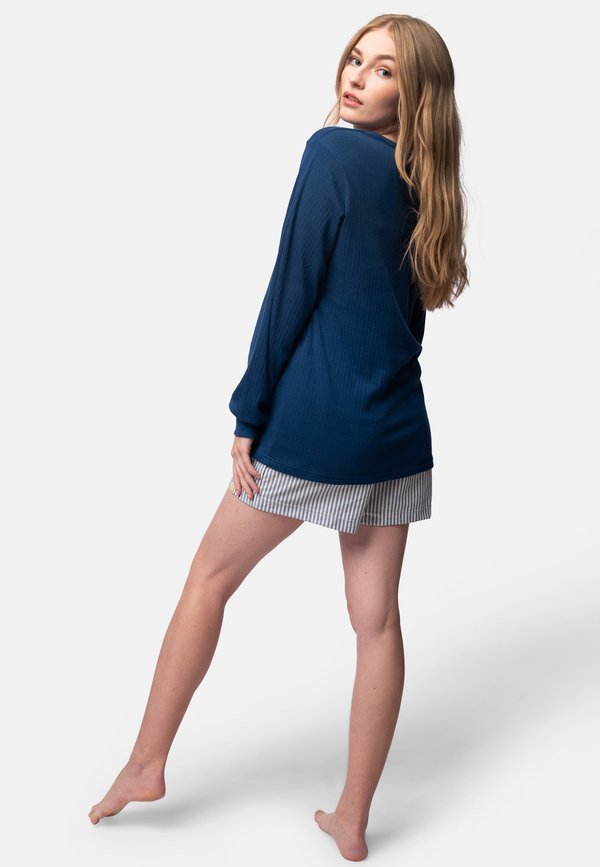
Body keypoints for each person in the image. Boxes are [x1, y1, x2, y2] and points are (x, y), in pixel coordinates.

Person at [89, 13, 468, 862]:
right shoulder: (428, 182)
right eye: (356, 59)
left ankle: (146, 764)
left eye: (383, 70)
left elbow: (290, 288)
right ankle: (353, 818)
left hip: (316, 426)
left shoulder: (332, 154)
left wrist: (248, 412)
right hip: (397, 433)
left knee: (208, 578)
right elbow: (401, 321)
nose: (357, 76)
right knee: (377, 623)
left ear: (416, 93)